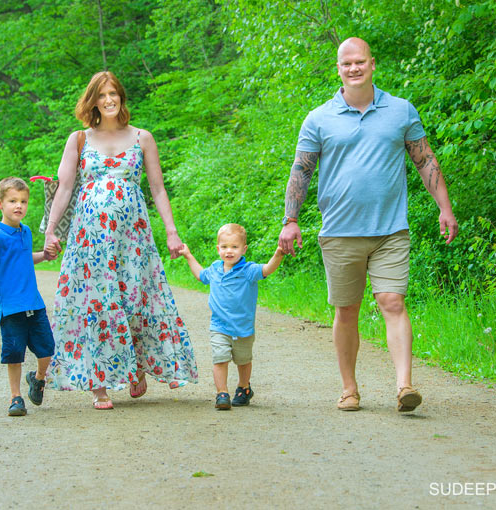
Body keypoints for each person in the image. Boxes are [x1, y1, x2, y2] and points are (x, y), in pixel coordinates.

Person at [278, 37, 458, 413]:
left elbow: (424, 160)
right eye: (347, 64)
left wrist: (445, 207)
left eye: (360, 62)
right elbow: (302, 170)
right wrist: (290, 220)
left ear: (372, 64)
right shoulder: (319, 118)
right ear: (339, 69)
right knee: (347, 310)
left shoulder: (401, 111)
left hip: (391, 230)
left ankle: (404, 386)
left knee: (392, 301)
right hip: (340, 231)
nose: (354, 68)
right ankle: (349, 389)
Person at [43, 71, 198, 409]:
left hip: (133, 238)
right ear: (93, 101)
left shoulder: (142, 138)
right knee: (98, 303)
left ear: (121, 97)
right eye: (102, 95)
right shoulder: (79, 139)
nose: (109, 100)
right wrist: (51, 229)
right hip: (90, 240)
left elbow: (157, 188)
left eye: (113, 93)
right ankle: (99, 384)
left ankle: (135, 365)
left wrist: (171, 232)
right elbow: (65, 187)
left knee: (135, 297)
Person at [0, 177, 55, 417]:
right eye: (12, 201)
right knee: (14, 354)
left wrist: (45, 256)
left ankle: (38, 379)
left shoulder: (26, 232)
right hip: (10, 309)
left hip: (34, 303)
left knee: (47, 349)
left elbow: (25, 258)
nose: (19, 206)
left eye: (23, 201)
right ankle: (16, 397)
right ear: (0, 203)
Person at [180, 224, 284, 410]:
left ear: (243, 249)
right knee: (220, 358)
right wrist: (188, 255)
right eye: (225, 246)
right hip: (219, 326)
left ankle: (244, 388)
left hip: (243, 328)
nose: (229, 251)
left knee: (243, 360)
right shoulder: (215, 269)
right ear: (218, 248)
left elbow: (267, 269)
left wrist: (278, 254)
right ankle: (222, 393)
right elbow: (201, 275)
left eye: (234, 247)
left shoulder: (249, 270)